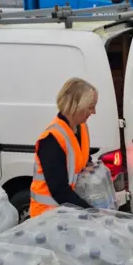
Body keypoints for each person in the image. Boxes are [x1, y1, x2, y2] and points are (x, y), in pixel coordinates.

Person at [29, 77, 98, 218]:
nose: (94, 112)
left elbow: (81, 157)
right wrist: (92, 212)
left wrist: (89, 166)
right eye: (90, 107)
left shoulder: (81, 128)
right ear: (75, 106)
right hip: (46, 216)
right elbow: (59, 190)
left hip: (66, 213)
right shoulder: (51, 139)